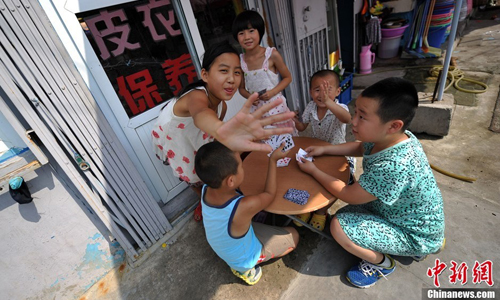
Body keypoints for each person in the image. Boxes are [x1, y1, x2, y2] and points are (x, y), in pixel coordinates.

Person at [297, 78, 445, 288]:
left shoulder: (393, 166)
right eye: (356, 112)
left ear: (394, 125)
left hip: (413, 232)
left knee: (338, 227)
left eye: (362, 117)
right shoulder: (395, 137)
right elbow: (361, 148)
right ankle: (430, 240)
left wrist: (313, 170)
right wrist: (325, 149)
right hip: (406, 214)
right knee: (347, 213)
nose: (353, 121)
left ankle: (382, 264)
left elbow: (347, 194)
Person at [151, 41, 295, 220]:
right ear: (205, 74)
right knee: (193, 177)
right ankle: (205, 203)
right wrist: (221, 130)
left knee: (209, 167)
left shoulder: (223, 106)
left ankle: (214, 199)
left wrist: (227, 137)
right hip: (176, 141)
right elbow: (201, 114)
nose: (232, 79)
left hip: (197, 135)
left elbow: (211, 130)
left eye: (237, 72)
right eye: (224, 70)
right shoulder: (196, 96)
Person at [195, 141, 299, 285]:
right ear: (231, 180)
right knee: (294, 235)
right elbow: (269, 194)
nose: (243, 167)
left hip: (224, 245)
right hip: (243, 257)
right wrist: (273, 160)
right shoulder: (242, 206)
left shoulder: (207, 187)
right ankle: (245, 270)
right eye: (241, 166)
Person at [292, 69, 353, 231]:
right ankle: (309, 207)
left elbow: (347, 119)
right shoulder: (311, 106)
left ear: (338, 91)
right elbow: (303, 125)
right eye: (317, 90)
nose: (322, 95)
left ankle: (321, 211)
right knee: (309, 178)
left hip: (338, 155)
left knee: (336, 184)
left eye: (327, 90)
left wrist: (329, 103)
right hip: (317, 152)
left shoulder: (340, 108)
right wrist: (294, 121)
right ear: (311, 92)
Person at [232, 10, 298, 135]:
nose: (247, 37)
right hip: (257, 112)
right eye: (241, 33)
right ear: (236, 37)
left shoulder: (271, 55)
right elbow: (241, 88)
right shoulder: (240, 61)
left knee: (285, 140)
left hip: (277, 109)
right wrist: (249, 97)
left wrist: (273, 92)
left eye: (251, 31)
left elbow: (288, 77)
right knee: (266, 142)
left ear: (260, 31)